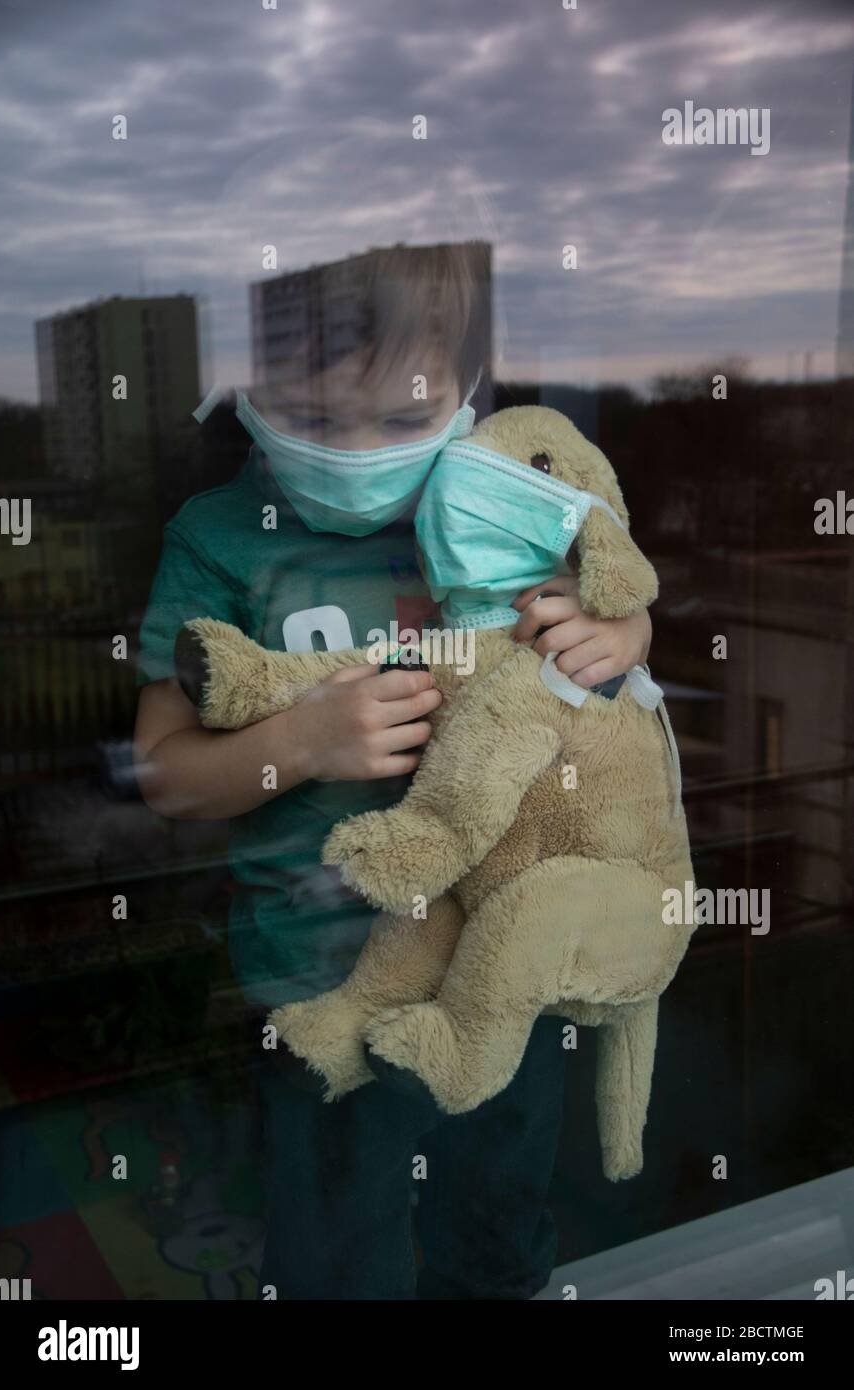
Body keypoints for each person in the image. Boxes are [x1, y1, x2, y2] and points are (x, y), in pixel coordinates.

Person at [133, 241, 652, 1299]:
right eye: (318, 421)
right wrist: (305, 745)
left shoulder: (499, 494)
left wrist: (626, 628)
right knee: (336, 1264)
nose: (360, 452)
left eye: (405, 420)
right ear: (250, 391)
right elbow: (163, 772)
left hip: (502, 966)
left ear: (466, 395)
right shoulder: (220, 538)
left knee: (496, 1240)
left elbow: (602, 585)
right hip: (322, 982)